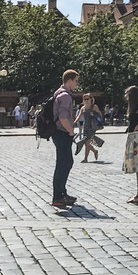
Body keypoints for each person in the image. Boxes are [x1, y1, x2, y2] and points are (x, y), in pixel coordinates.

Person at [51, 69, 79, 208]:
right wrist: (71, 132)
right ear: (69, 80)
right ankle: (58, 196)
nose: (76, 84)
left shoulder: (58, 93)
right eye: (75, 81)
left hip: (59, 133)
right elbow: (63, 117)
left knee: (64, 163)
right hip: (62, 133)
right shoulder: (66, 96)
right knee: (64, 163)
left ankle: (62, 193)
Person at [75, 93, 104, 162]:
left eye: (87, 99)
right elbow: (79, 116)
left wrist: (94, 115)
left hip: (92, 126)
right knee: (86, 143)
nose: (86, 100)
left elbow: (100, 115)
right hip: (86, 126)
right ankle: (94, 151)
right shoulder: (83, 108)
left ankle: (85, 158)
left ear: (91, 99)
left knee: (87, 142)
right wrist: (73, 123)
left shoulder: (94, 107)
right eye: (84, 99)